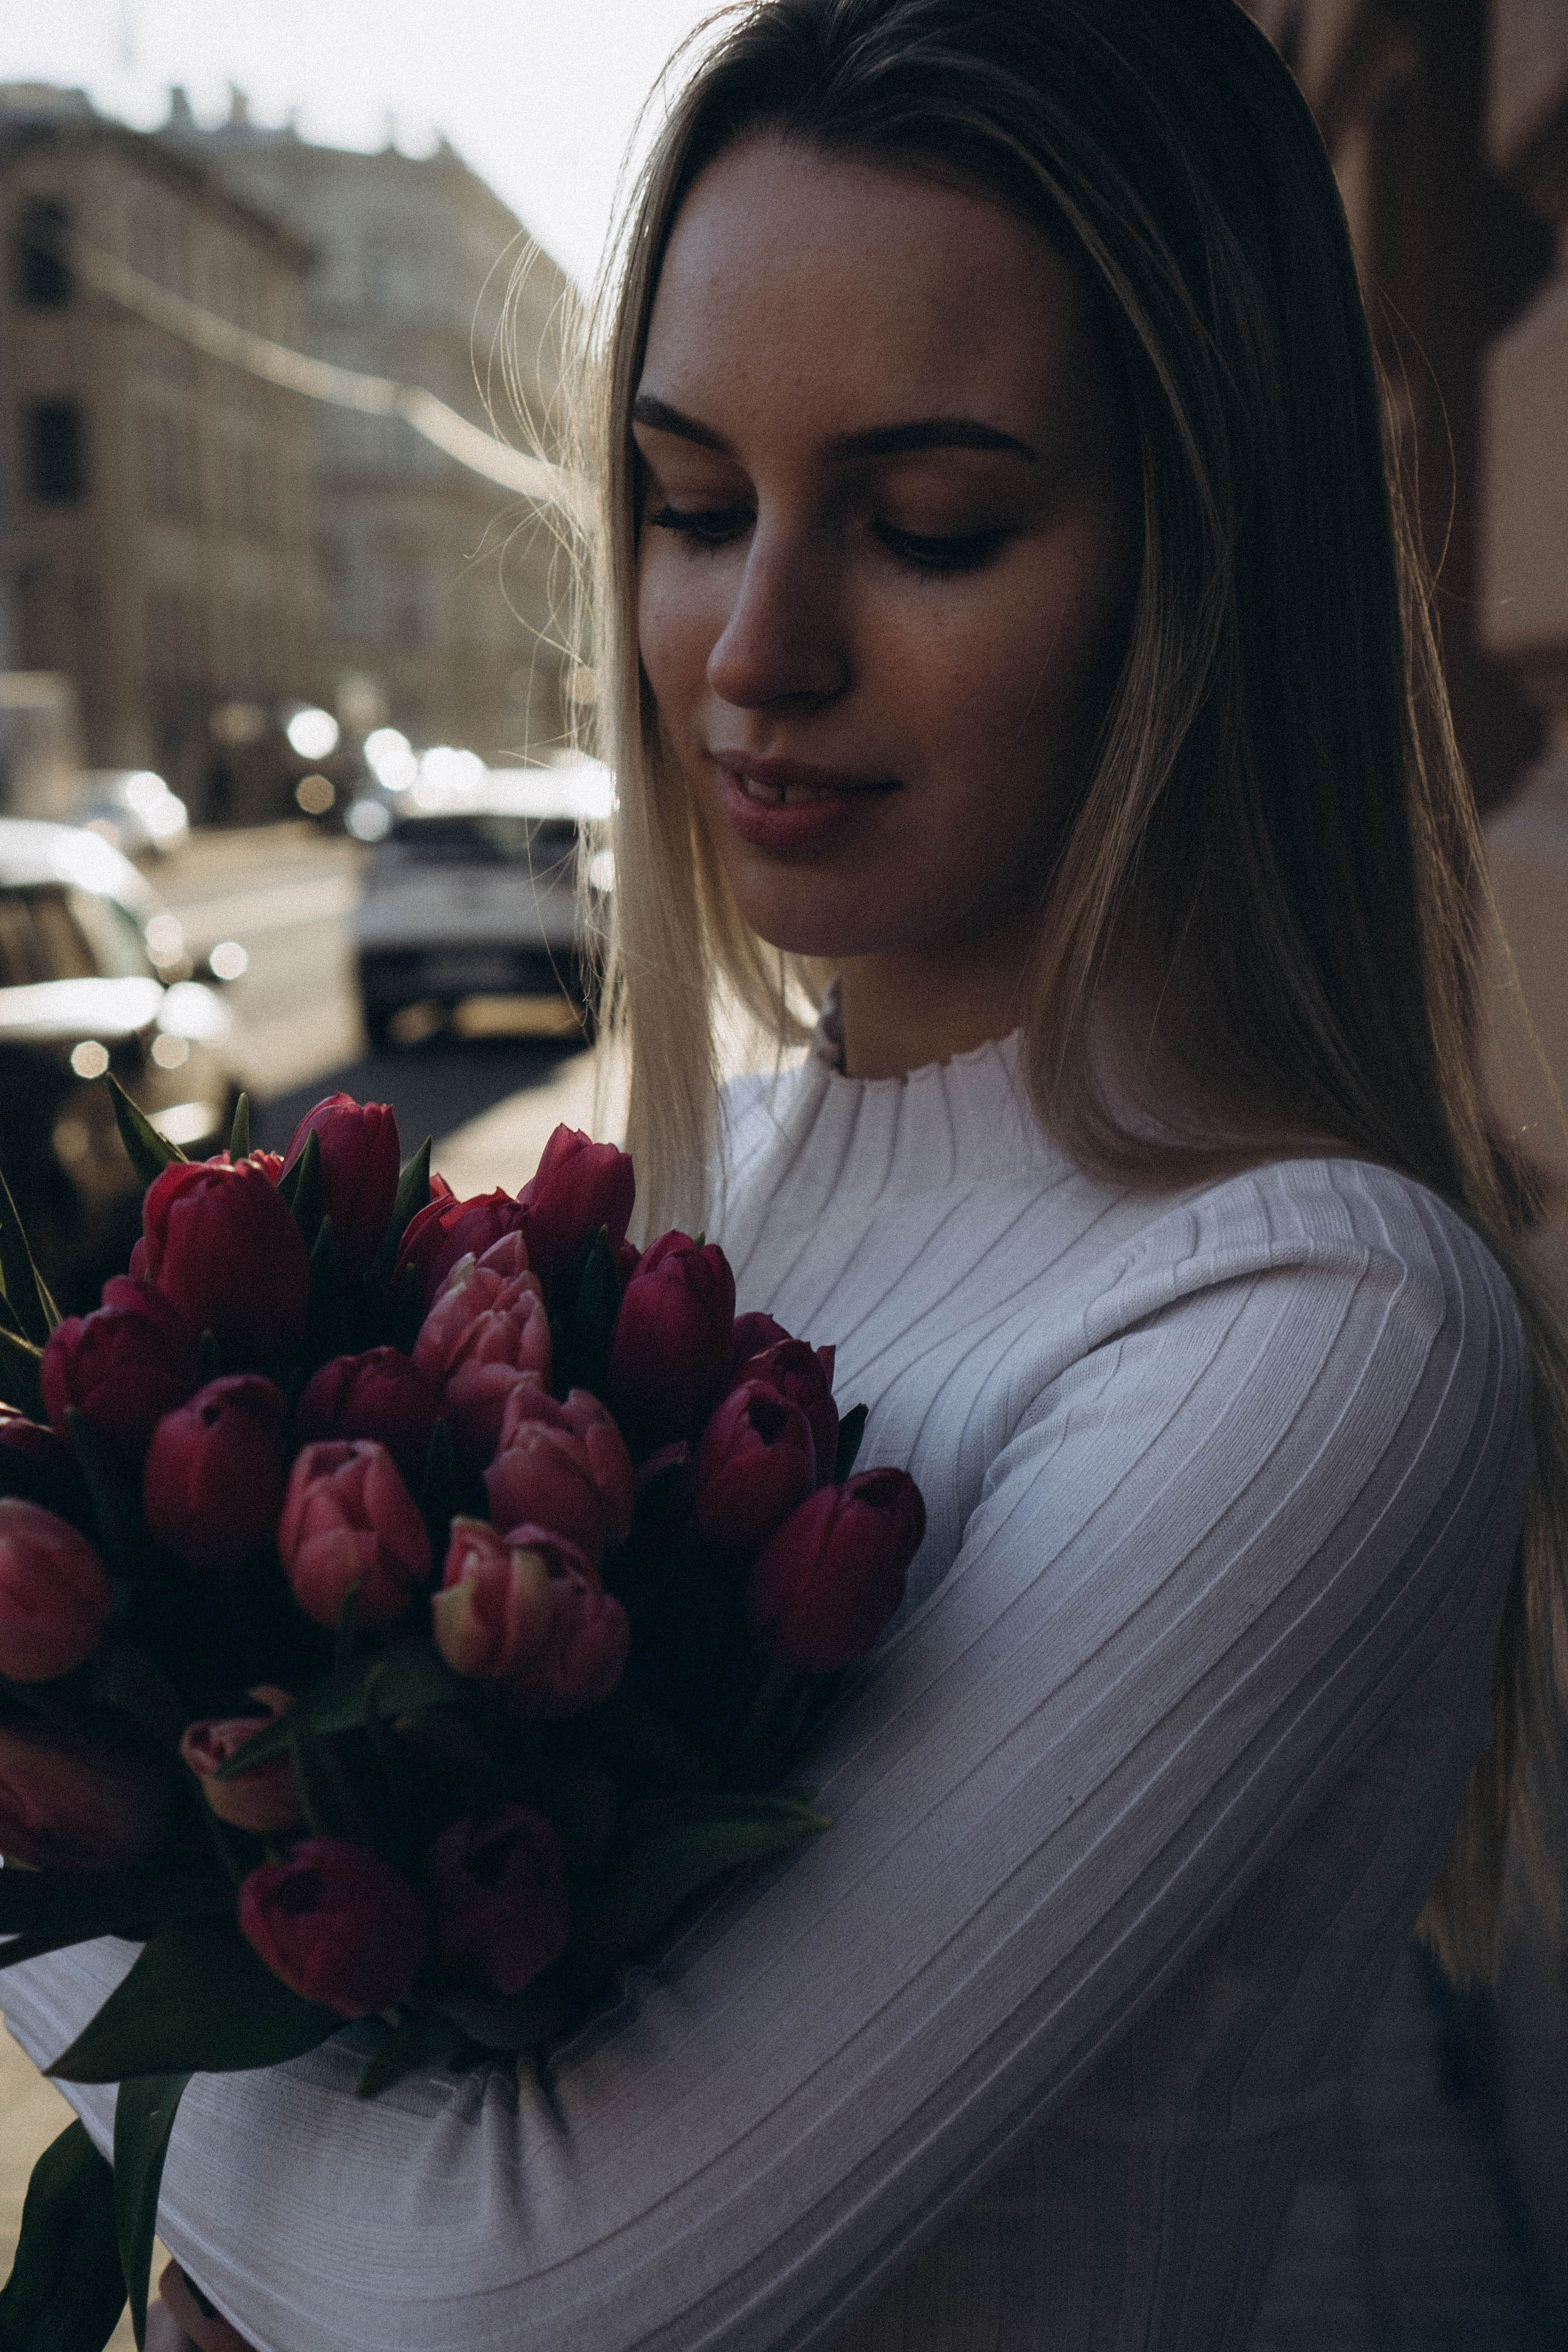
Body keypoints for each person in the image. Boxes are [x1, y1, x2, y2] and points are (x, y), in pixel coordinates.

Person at [7, 2, 1567, 2345]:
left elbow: (512, 2293)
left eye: (932, 524)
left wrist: (95, 1842)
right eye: (692, 502)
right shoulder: (724, 1182)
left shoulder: (1316, 1332)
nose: (751, 649)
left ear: (1207, 565)